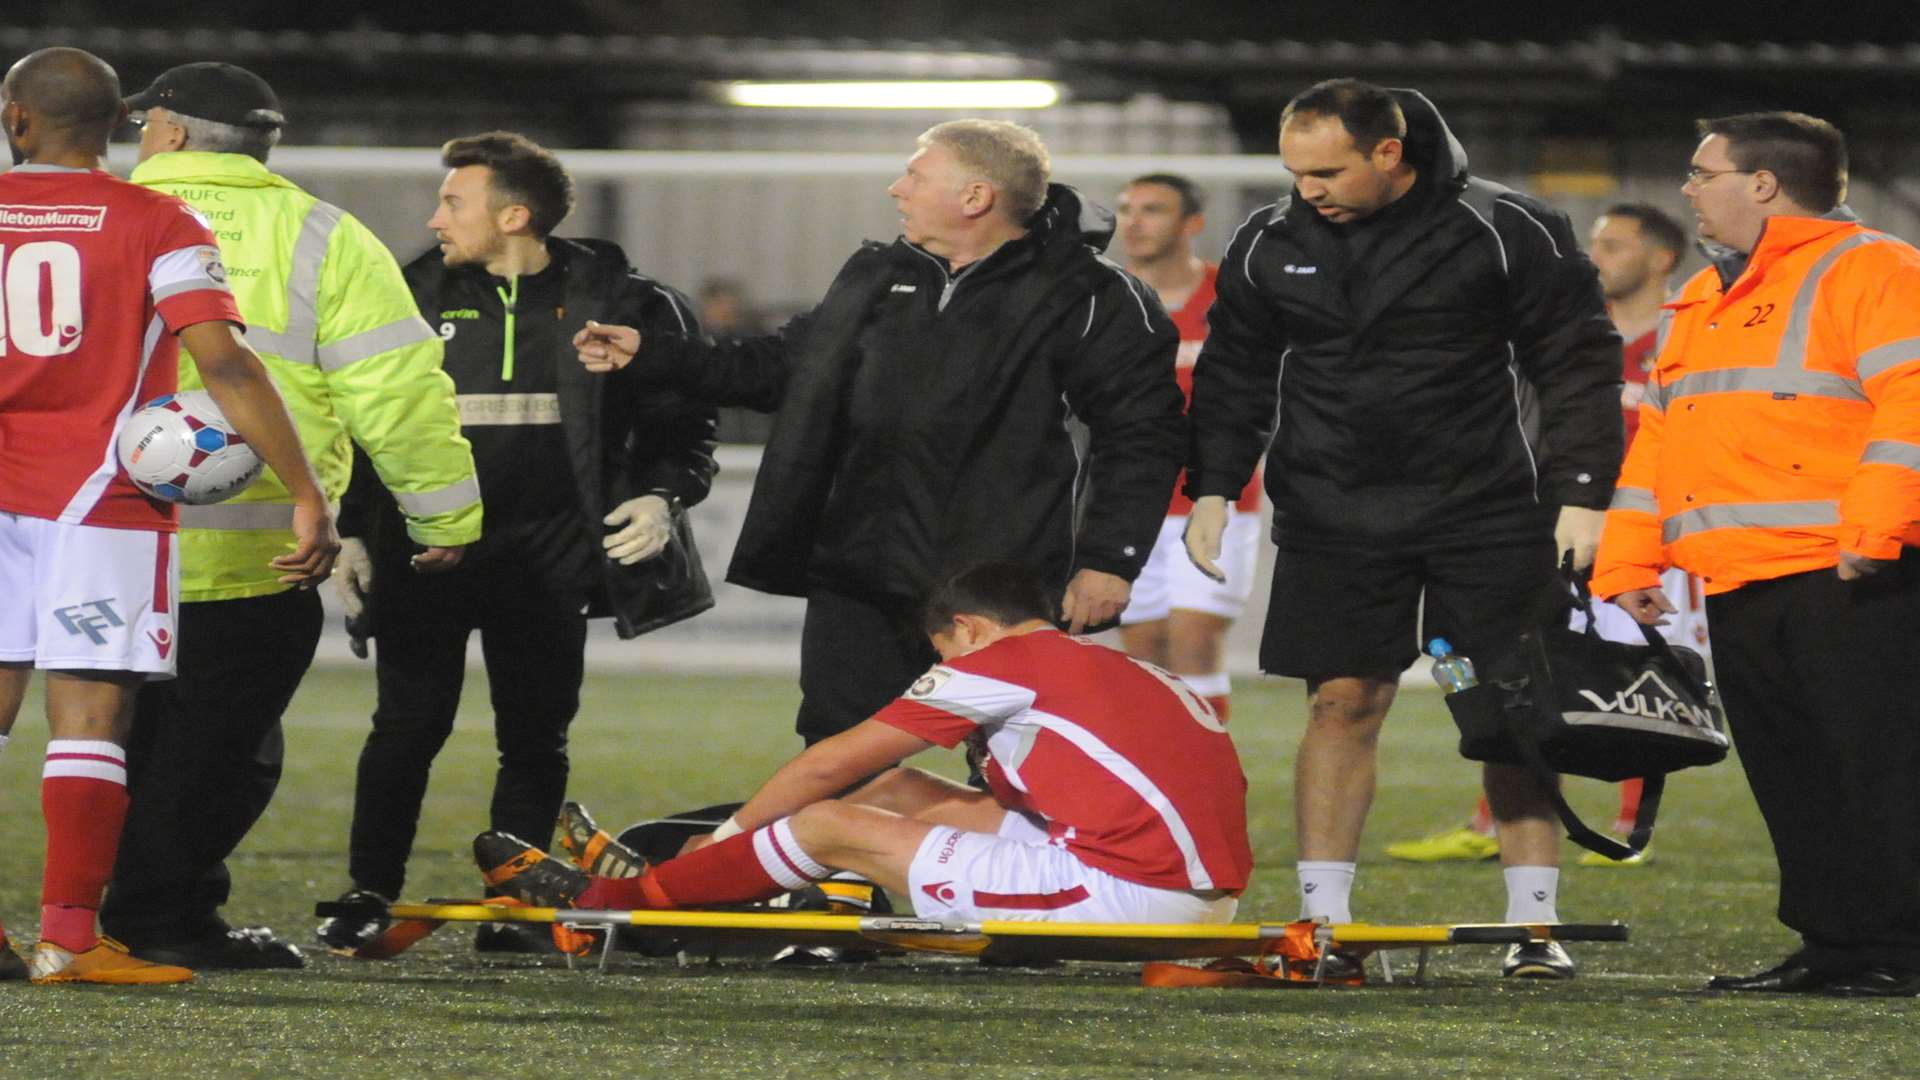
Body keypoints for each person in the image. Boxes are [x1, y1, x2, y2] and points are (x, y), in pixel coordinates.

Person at [1184, 79, 1622, 979]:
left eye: (1327, 169)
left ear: (1389, 153)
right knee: (1341, 701)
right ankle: (1324, 927)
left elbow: (1577, 357)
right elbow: (1233, 369)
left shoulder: (1509, 228)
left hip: (1492, 512)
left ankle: (1533, 931)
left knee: (1509, 714)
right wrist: (1214, 487)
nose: (1307, 189)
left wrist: (1583, 490)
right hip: (1334, 512)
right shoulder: (1269, 240)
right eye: (1295, 171)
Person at [574, 119, 1185, 751]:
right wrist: (652, 353)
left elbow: (1141, 434)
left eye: (916, 177)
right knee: (838, 752)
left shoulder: (1092, 295)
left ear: (975, 198)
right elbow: (781, 369)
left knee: (1018, 759)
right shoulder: (876, 274)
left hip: (999, 581)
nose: (898, 189)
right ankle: (845, 853)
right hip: (859, 569)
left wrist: (1109, 559)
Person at [92, 62, 482, 971]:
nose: (139, 135)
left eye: (146, 122)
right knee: (225, 752)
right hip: (260, 554)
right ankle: (162, 915)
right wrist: (444, 521)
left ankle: (92, 914)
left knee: (104, 739)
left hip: (98, 544)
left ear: (174, 133)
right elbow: (398, 388)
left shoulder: (94, 220)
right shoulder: (323, 236)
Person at [317, 131, 718, 954]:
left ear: (514, 214)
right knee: (405, 726)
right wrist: (354, 531)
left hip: (548, 559)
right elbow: (359, 424)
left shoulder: (626, 301)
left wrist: (662, 495)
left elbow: (686, 424)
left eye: (453, 202)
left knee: (535, 735)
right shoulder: (406, 293)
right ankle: (368, 892)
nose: (434, 219)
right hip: (426, 552)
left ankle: (521, 903)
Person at [0, 47, 337, 985]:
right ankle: (68, 939)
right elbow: (225, 363)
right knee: (90, 720)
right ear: (115, 127)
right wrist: (304, 490)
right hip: (100, 497)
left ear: (17, 120)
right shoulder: (158, 218)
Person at [1594, 112, 1920, 997]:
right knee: (1794, 773)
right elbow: (1657, 446)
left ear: (1764, 183)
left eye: (1703, 172)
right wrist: (1627, 562)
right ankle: (1837, 945)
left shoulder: (1876, 269)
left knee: (1878, 768)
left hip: (1853, 570)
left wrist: (1875, 532)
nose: (1689, 188)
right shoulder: (1704, 295)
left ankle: (1897, 948)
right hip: (1737, 576)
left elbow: (1912, 401)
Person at [476, 562, 1251, 929]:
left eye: (946, 654)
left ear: (971, 631)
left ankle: (626, 904)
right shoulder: (1116, 666)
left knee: (828, 821)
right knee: (897, 794)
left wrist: (725, 836)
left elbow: (830, 762)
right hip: (1196, 887)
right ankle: (711, 882)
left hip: (1135, 894)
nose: (949, 671)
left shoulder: (1002, 663)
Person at [1386, 202, 1708, 869]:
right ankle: (1490, 818)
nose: (1596, 258)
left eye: (1615, 245)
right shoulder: (1563, 334)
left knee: (1634, 672)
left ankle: (1626, 827)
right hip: (1551, 522)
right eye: (1595, 243)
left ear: (1661, 259)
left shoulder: (1691, 332)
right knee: (1510, 668)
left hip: (1645, 531)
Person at [1112, 173, 1261, 722]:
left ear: (1191, 224)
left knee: (1195, 641)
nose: (1133, 221)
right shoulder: (1108, 301)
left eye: (1152, 209)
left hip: (1214, 502)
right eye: (1127, 208)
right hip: (1130, 501)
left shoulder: (1230, 299)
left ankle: (1209, 783)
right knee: (1145, 651)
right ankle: (1158, 784)